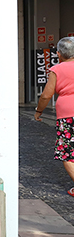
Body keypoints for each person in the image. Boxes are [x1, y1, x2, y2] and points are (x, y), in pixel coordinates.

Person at [34, 37, 74, 196]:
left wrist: (38, 111)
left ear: (59, 54)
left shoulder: (56, 70)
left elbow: (46, 96)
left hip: (68, 115)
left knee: (67, 152)